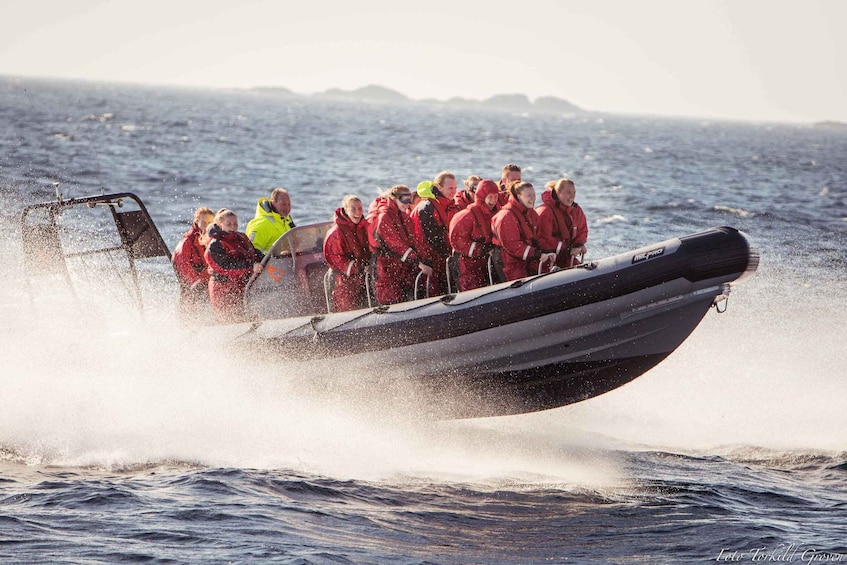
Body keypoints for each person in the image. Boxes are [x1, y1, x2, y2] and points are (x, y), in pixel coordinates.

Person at [373, 185, 433, 305]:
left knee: (410, 293)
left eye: (409, 200)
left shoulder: (404, 217)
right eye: (404, 199)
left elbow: (413, 241)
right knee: (391, 298)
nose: (407, 204)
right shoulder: (384, 217)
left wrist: (425, 258)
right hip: (387, 267)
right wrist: (418, 262)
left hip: (404, 266)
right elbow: (395, 245)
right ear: (394, 198)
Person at [205, 209, 264, 322]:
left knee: (249, 316)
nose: (233, 227)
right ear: (219, 224)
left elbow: (254, 253)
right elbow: (225, 266)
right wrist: (251, 267)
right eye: (229, 224)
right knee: (232, 320)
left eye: (235, 224)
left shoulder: (242, 237)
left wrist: (269, 258)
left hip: (244, 286)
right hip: (224, 290)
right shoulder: (215, 245)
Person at [491, 181, 556, 281]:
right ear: (519, 196)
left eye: (534, 195)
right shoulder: (506, 216)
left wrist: (547, 251)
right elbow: (512, 246)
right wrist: (537, 254)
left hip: (526, 259)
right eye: (529, 195)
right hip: (509, 261)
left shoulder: (532, 214)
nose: (533, 198)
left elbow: (538, 238)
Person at [410, 172, 459, 296]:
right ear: (439, 187)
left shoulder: (450, 206)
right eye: (450, 188)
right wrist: (449, 255)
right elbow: (432, 239)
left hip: (442, 259)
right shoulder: (427, 207)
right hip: (429, 260)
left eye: (455, 188)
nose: (453, 192)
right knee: (433, 292)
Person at [448, 179, 500, 291]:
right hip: (466, 267)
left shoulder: (496, 215)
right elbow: (457, 241)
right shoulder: (465, 216)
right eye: (490, 197)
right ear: (481, 196)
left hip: (485, 264)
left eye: (496, 197)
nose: (493, 200)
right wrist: (482, 250)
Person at [323, 195, 372, 312]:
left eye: (360, 208)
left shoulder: (364, 227)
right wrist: (357, 267)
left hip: (363, 278)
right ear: (345, 209)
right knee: (346, 307)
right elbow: (335, 259)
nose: (358, 212)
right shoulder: (336, 232)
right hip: (343, 281)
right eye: (353, 209)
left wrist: (371, 263)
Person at [536, 178, 587, 269]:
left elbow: (582, 230)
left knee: (581, 270)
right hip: (547, 258)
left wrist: (578, 245)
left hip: (566, 256)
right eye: (568, 193)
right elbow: (543, 238)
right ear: (558, 192)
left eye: (574, 193)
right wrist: (567, 249)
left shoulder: (576, 210)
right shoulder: (545, 212)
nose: (572, 196)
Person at [172, 207, 214, 314]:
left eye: (210, 223)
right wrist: (205, 285)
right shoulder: (186, 243)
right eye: (204, 223)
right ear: (196, 222)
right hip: (193, 294)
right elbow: (185, 272)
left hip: (210, 288)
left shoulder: (214, 241)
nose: (207, 226)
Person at [245, 187, 296, 254]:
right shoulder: (261, 224)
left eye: (289, 204)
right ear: (273, 202)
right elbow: (251, 252)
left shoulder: (287, 220)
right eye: (283, 204)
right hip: (271, 263)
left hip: (290, 261)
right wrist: (276, 254)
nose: (287, 208)